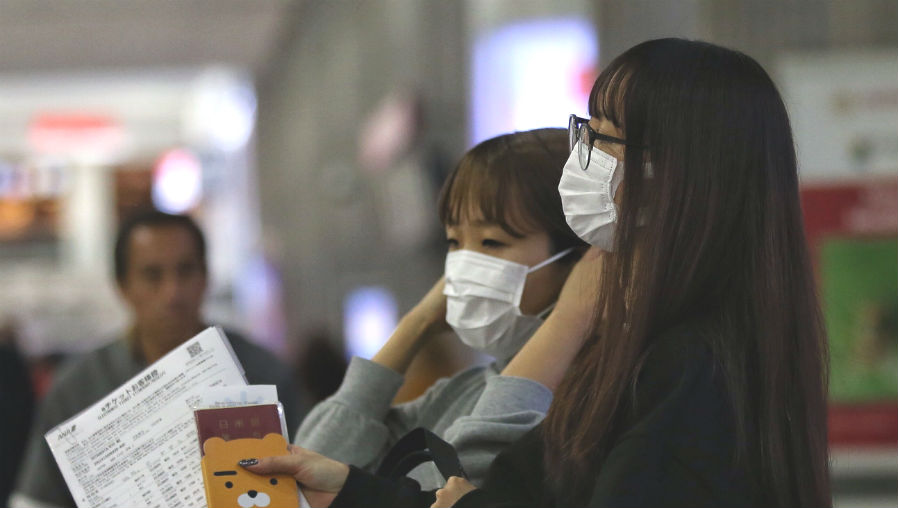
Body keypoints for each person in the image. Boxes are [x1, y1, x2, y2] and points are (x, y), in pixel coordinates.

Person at [242, 38, 832, 507]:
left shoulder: (686, 365)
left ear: (676, 176)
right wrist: (350, 486)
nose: (586, 155)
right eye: (454, 242)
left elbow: (472, 478)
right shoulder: (586, 370)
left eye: (604, 137)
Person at [293, 128, 588, 489]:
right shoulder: (464, 390)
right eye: (454, 242)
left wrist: (570, 317)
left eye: (492, 241)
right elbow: (310, 468)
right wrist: (416, 324)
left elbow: (467, 483)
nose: (463, 265)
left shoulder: (598, 397)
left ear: (579, 259)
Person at [11, 211, 304, 508]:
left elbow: (310, 480)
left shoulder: (266, 373)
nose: (172, 292)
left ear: (205, 277)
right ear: (123, 287)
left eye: (185, 271)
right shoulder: (75, 388)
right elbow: (34, 500)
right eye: (153, 275)